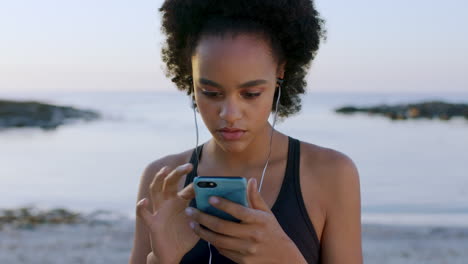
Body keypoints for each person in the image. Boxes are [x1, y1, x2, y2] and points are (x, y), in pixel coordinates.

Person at [130, 0, 362, 263]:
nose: (230, 114)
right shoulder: (163, 180)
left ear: (280, 73)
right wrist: (161, 259)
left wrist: (285, 257)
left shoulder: (331, 174)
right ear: (190, 78)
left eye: (251, 94)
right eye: (211, 93)